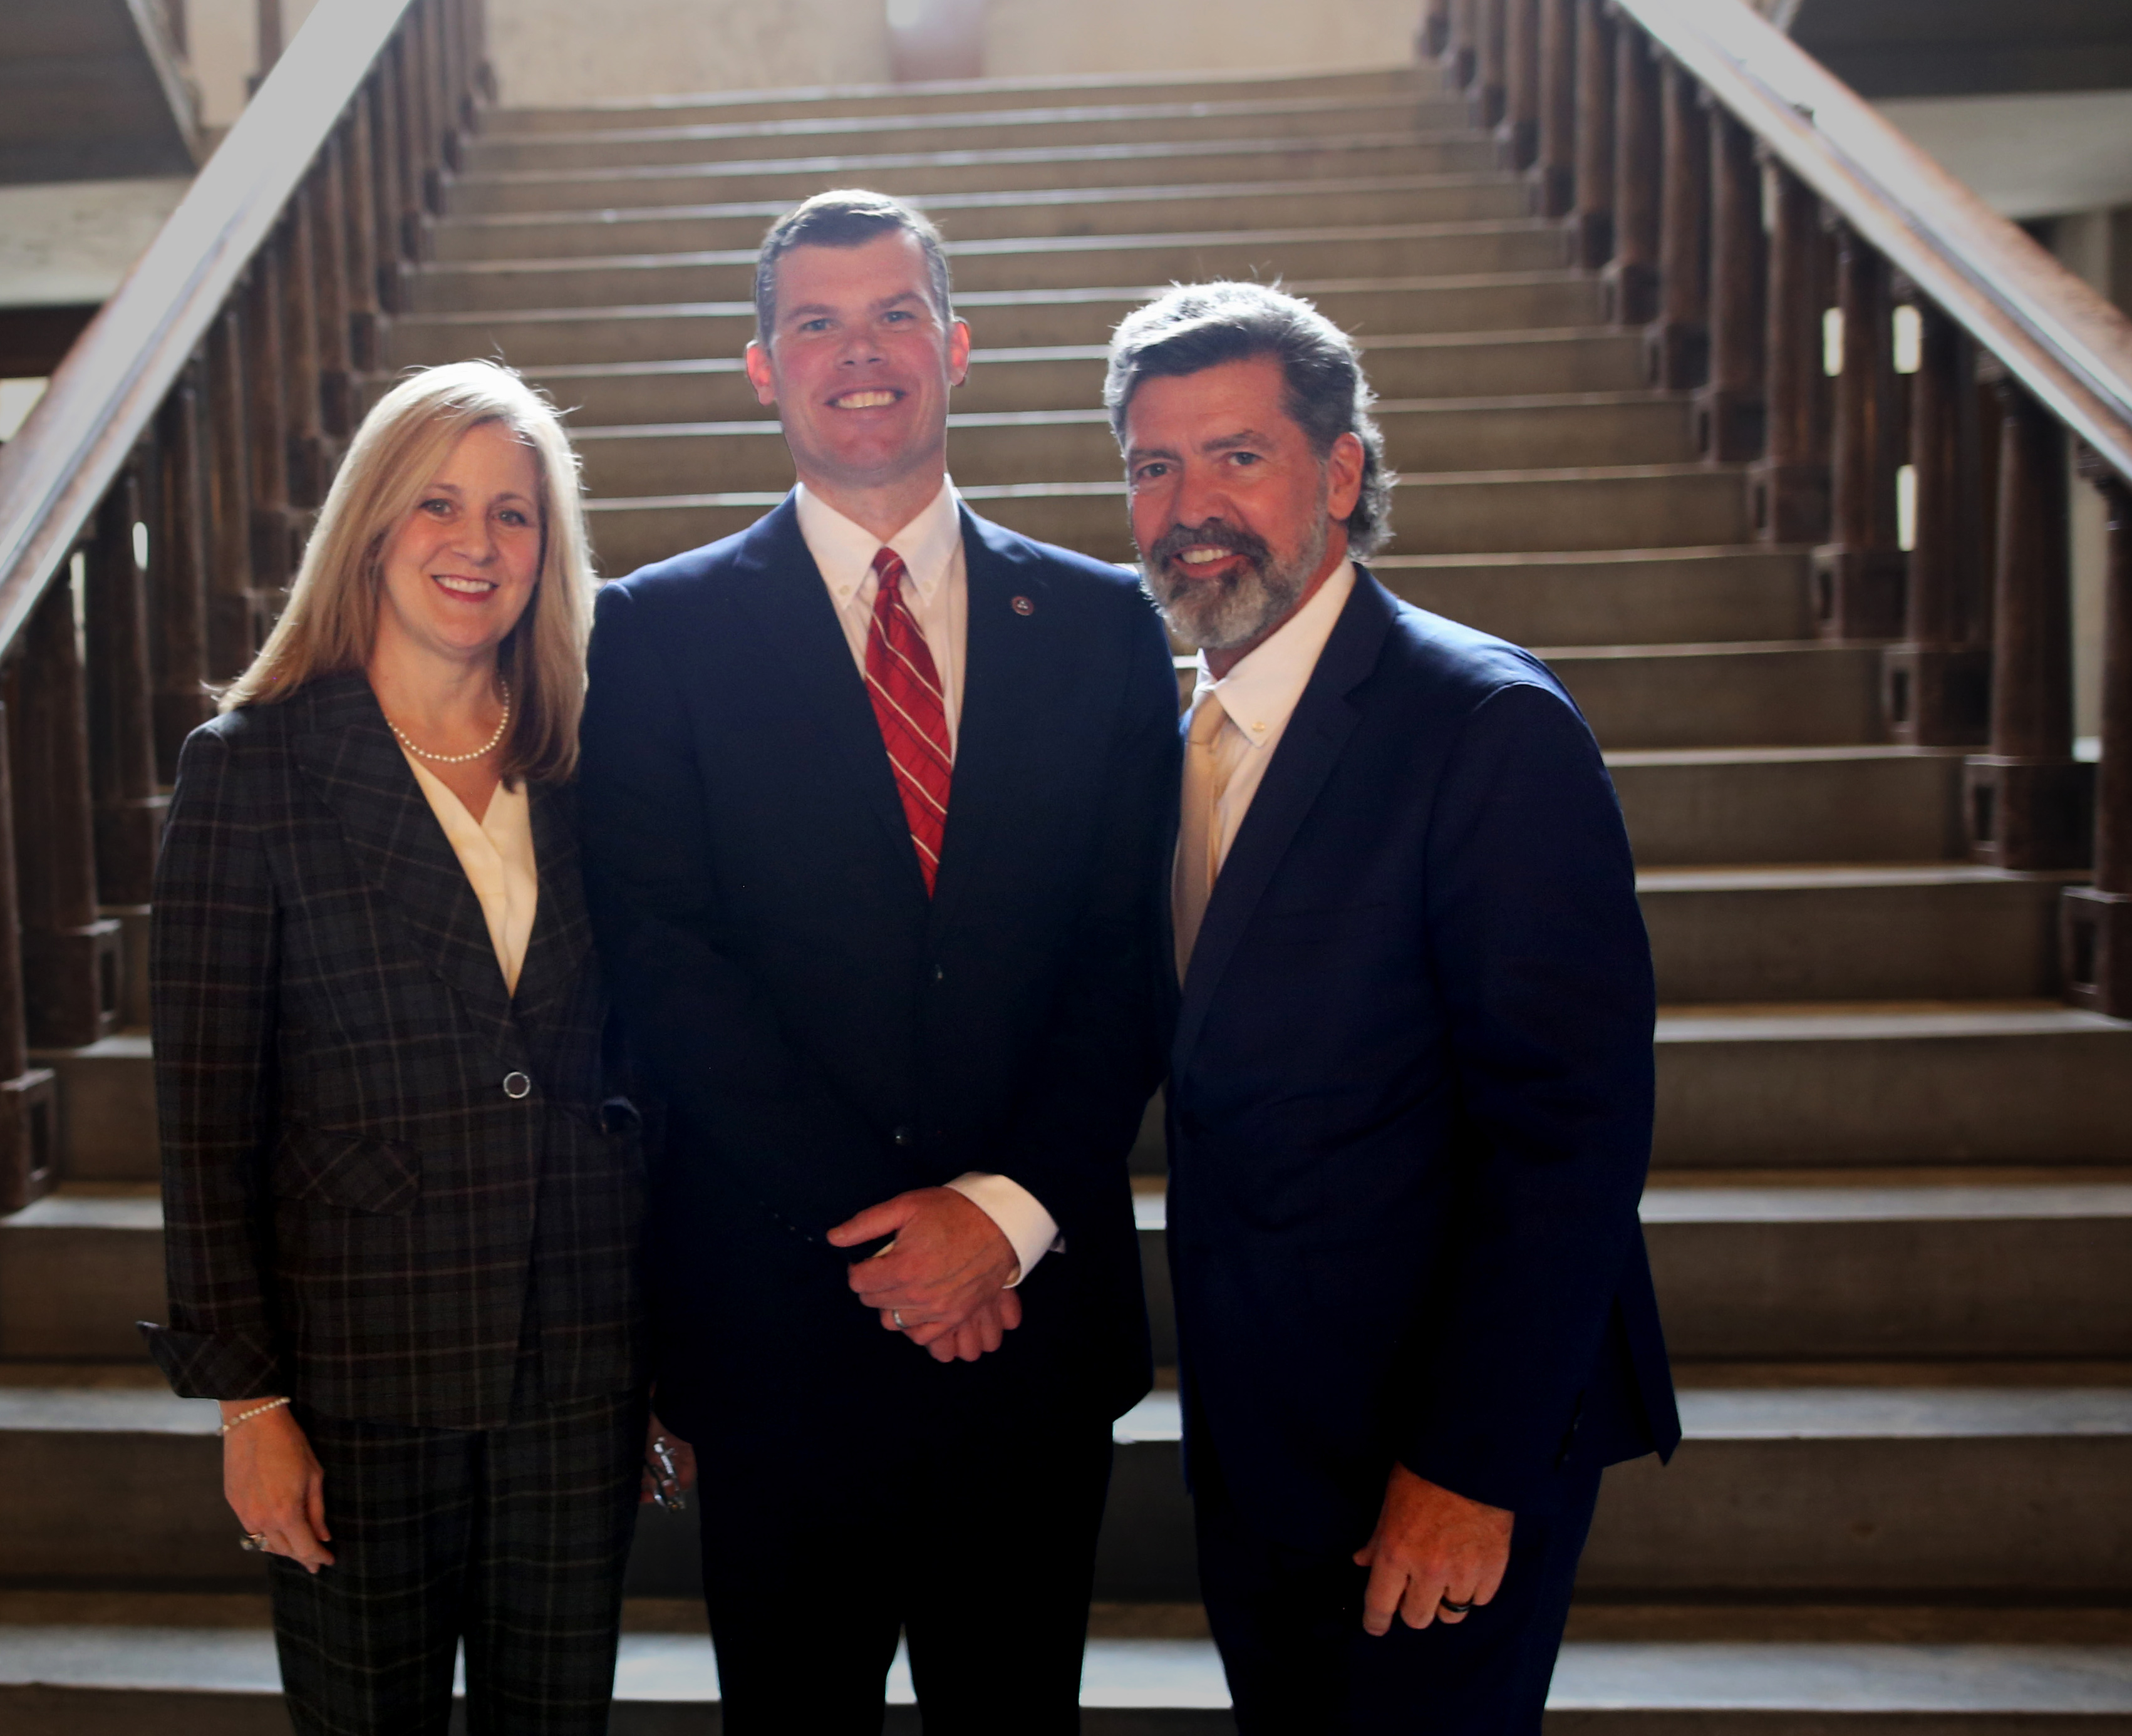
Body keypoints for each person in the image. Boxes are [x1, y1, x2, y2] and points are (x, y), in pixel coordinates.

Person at [576, 189, 1179, 1733]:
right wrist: (893, 1239)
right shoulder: (653, 631)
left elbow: (1129, 952)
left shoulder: (1105, 623)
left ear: (957, 346)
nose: (863, 351)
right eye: (818, 323)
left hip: (1028, 1320)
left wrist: (1000, 1218)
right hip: (780, 1324)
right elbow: (662, 960)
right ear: (762, 368)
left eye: (896, 312)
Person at [1107, 281, 1681, 1731]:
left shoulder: (1484, 726)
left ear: (1342, 473)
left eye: (1237, 456)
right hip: (1266, 1440)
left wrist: (1471, 1468)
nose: (1192, 506)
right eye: (1153, 466)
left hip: (1438, 1454)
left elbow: (1569, 1137)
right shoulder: (1181, 736)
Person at [142, 360, 656, 1734]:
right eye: (439, 505)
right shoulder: (249, 770)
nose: (477, 546)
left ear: (551, 549)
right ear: (371, 526)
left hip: (576, 1362)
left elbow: (639, 1070)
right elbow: (202, 1123)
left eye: (514, 514)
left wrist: (663, 1355)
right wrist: (247, 1404)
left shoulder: (586, 762)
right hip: (354, 1374)